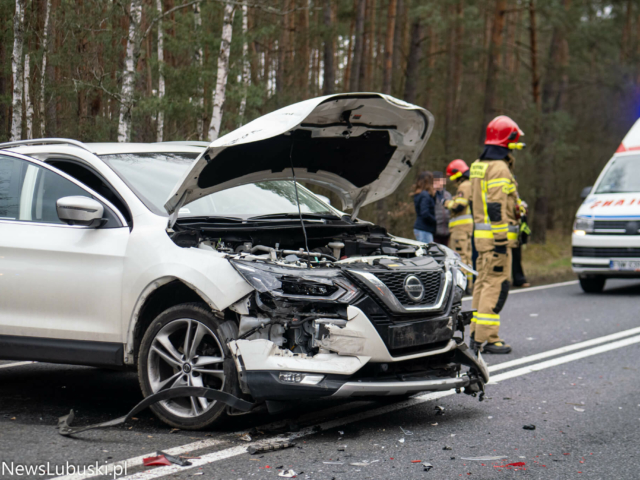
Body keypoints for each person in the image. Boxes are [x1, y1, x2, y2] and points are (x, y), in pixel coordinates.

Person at [469, 115, 524, 354]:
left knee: (482, 284)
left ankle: (479, 334)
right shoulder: (500, 168)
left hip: (481, 238)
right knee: (496, 286)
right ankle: (484, 339)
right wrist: (502, 239)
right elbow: (495, 206)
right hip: (495, 240)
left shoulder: (478, 165)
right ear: (506, 141)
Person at [444, 159, 474, 293]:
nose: (452, 180)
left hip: (460, 229)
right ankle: (468, 285)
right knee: (466, 256)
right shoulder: (469, 185)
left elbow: (459, 205)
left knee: (460, 256)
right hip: (465, 228)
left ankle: (462, 286)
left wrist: (447, 203)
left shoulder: (464, 186)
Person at [412, 171, 437, 244]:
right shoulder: (425, 195)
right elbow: (424, 212)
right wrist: (435, 220)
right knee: (427, 253)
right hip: (424, 229)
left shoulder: (420, 194)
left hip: (422, 228)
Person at [512, 198, 531, 287]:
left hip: (514, 234)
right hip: (505, 233)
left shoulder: (514, 195)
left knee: (516, 257)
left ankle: (518, 279)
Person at [433, 171, 452, 245]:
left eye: (438, 180)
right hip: (435, 232)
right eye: (435, 181)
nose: (437, 183)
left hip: (447, 232)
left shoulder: (448, 195)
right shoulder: (431, 195)